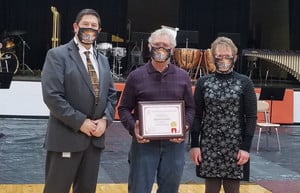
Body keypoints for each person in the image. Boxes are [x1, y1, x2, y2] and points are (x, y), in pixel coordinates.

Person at [41, 8, 117, 193]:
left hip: (94, 140)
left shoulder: (103, 61)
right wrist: (80, 122)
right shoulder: (57, 55)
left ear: (99, 31)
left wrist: (105, 120)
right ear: (76, 27)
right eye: (85, 25)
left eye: (93, 26)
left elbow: (111, 95)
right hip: (66, 137)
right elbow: (52, 96)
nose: (89, 29)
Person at [118, 28, 195, 193]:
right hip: (143, 144)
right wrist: (134, 127)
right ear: (149, 47)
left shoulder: (183, 77)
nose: (160, 48)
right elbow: (123, 108)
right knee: (139, 189)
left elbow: (190, 108)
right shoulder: (136, 76)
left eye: (165, 45)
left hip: (174, 146)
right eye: (156, 45)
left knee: (170, 189)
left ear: (172, 49)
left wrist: (185, 126)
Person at [189, 36, 257, 193]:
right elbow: (197, 116)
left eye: (227, 56)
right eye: (219, 56)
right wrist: (194, 144)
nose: (223, 59)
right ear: (213, 57)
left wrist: (246, 147)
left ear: (235, 57)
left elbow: (251, 117)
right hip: (209, 145)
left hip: (235, 146)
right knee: (210, 190)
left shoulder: (245, 82)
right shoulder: (203, 82)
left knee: (232, 190)